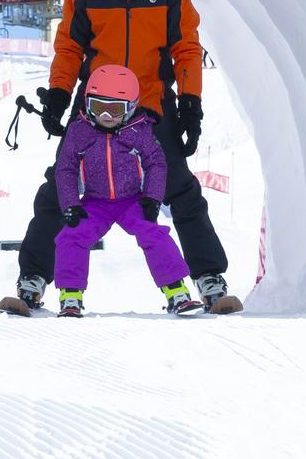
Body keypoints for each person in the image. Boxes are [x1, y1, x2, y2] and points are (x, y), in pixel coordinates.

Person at [3, 0, 240, 315]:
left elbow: (185, 48)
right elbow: (69, 49)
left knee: (181, 190)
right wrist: (59, 95)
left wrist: (191, 104)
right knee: (59, 189)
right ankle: (33, 281)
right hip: (94, 110)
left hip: (150, 106)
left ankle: (209, 281)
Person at [50, 64, 204, 317]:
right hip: (94, 203)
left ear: (131, 107)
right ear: (88, 104)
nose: (106, 117)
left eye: (114, 110)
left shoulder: (139, 130)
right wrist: (70, 204)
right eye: (99, 108)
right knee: (71, 236)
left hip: (132, 201)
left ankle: (177, 292)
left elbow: (156, 162)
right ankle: (70, 296)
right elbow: (65, 167)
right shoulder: (80, 130)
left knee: (153, 234)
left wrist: (152, 198)